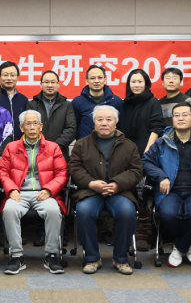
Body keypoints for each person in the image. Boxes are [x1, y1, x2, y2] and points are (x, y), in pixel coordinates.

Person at [142, 102, 191, 267]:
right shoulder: (162, 143)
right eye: (176, 115)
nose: (180, 118)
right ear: (172, 120)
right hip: (169, 191)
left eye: (185, 115)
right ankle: (188, 243)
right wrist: (161, 176)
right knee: (168, 214)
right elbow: (146, 162)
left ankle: (180, 246)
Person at [69, 105, 142, 275]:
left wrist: (117, 184)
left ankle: (121, 259)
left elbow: (136, 171)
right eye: (100, 119)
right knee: (84, 211)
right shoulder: (81, 144)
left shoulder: (129, 145)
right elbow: (74, 169)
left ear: (116, 123)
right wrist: (91, 183)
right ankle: (92, 258)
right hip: (90, 192)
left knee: (127, 212)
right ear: (93, 122)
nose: (104, 123)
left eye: (109, 120)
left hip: (120, 192)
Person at [0, 110, 67, 275]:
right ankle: (16, 256)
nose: (32, 127)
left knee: (53, 210)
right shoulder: (11, 147)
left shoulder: (53, 147)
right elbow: (2, 171)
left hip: (44, 193)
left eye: (35, 123)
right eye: (28, 124)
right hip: (19, 192)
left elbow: (62, 173)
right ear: (22, 128)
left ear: (41, 126)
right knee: (9, 209)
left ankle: (52, 255)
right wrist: (11, 188)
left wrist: (49, 189)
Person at [26, 70, 76, 160]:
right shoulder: (32, 105)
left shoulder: (67, 105)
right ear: (41, 84)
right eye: (46, 82)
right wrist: (41, 147)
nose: (50, 85)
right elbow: (28, 128)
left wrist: (56, 146)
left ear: (58, 85)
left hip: (60, 153)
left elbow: (71, 129)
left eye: (53, 82)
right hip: (37, 153)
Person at [119, 69, 163, 157]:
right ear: (129, 84)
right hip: (126, 153)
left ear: (146, 83)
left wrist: (148, 152)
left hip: (146, 153)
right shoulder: (125, 104)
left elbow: (156, 129)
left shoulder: (153, 102)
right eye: (133, 82)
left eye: (140, 82)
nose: (136, 85)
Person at [72, 65, 123, 140]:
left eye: (100, 78)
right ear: (86, 81)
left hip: (111, 145)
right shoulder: (78, 102)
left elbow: (120, 126)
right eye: (92, 78)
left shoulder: (116, 101)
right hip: (85, 145)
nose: (96, 81)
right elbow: (74, 127)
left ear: (105, 80)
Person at [0, 61, 29, 140]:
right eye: (5, 75)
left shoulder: (23, 99)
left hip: (19, 144)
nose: (9, 78)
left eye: (12, 75)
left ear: (17, 77)